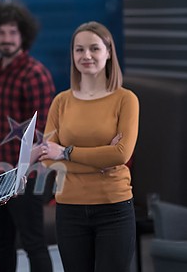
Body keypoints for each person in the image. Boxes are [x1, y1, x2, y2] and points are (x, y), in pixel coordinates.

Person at [37, 21, 139, 272]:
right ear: (72, 55)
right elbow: (47, 158)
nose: (86, 56)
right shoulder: (61, 101)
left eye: (94, 48)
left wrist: (66, 152)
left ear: (108, 52)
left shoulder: (125, 99)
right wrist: (100, 161)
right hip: (69, 210)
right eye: (79, 49)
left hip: (114, 208)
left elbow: (121, 154)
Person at [0, 1, 54, 272]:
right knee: (1, 243)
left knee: (34, 244)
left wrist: (24, 174)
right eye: (1, 33)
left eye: (12, 32)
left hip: (26, 178)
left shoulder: (35, 74)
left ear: (23, 36)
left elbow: (43, 132)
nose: (6, 39)